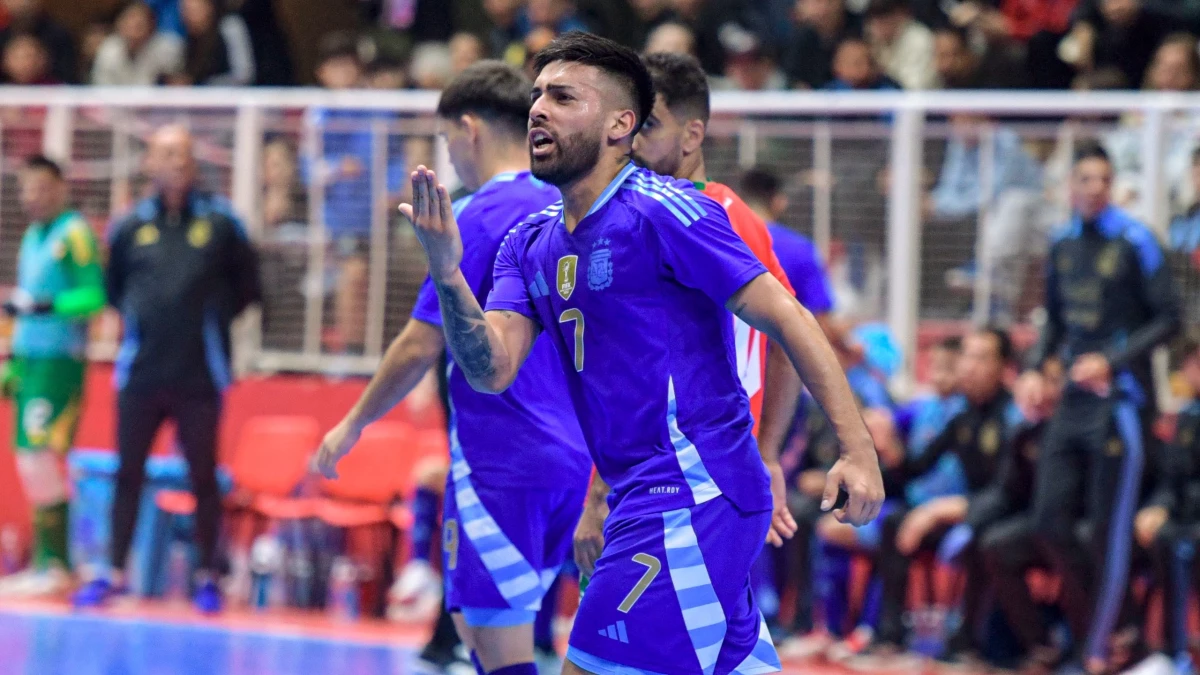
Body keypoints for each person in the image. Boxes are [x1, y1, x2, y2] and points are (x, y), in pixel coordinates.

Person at [404, 32, 884, 675]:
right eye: (538, 95)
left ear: (619, 124)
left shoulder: (668, 213)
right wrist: (448, 273)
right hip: (642, 492)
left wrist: (857, 449)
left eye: (563, 96)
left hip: (694, 491)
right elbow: (490, 368)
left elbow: (791, 322)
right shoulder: (530, 241)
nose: (538, 109)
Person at [314, 61, 590, 675]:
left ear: (469, 129)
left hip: (502, 455)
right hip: (575, 458)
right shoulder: (571, 202)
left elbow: (418, 344)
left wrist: (352, 424)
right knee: (479, 623)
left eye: (445, 141)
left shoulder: (480, 212)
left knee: (495, 643)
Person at [72, 125, 261, 614]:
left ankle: (209, 577)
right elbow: (114, 290)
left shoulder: (221, 223)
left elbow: (248, 287)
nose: (175, 162)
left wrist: (208, 322)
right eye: (165, 153)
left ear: (195, 162)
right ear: (148, 164)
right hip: (141, 373)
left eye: (183, 153)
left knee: (202, 477)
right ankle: (112, 571)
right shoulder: (130, 226)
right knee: (127, 474)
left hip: (200, 374)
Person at [1015, 144, 1182, 675]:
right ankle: (1115, 629)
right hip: (1071, 403)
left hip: (1123, 404)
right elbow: (1055, 322)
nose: (1094, 188)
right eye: (1085, 179)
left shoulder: (1137, 241)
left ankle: (1097, 653)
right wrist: (1037, 366)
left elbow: (1170, 320)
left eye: (1103, 179)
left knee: (1108, 533)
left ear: (1111, 185)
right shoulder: (1062, 243)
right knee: (1049, 522)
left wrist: (1111, 361)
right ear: (1071, 186)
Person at [862, 327, 1019, 664]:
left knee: (982, 538)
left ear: (1004, 367)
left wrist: (936, 512)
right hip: (966, 513)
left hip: (1002, 515)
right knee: (894, 522)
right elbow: (918, 467)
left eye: (980, 358)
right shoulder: (963, 417)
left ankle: (967, 643)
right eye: (967, 356)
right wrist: (888, 451)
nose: (968, 367)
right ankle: (891, 635)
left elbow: (1008, 492)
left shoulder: (1012, 417)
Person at [0, 156, 105, 599]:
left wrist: (49, 307)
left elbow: (94, 295)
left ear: (60, 187)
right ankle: (49, 562)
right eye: (27, 188)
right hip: (32, 362)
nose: (33, 196)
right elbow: (23, 308)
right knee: (28, 458)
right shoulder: (32, 236)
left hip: (60, 362)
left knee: (38, 455)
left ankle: (57, 563)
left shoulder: (73, 233)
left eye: (42, 187)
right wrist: (12, 363)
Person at [1134, 339, 1200, 675]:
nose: (1193, 371)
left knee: (1181, 544)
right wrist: (1157, 506)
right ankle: (1158, 650)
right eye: (1191, 362)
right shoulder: (1188, 418)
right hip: (1185, 519)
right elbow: (1172, 480)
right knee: (1155, 536)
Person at [91, 1, 183, 86]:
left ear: (151, 25)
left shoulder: (168, 48)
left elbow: (176, 87)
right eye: (129, 21)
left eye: (139, 24)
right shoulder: (108, 49)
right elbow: (101, 90)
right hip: (116, 102)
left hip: (157, 102)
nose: (133, 28)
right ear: (119, 24)